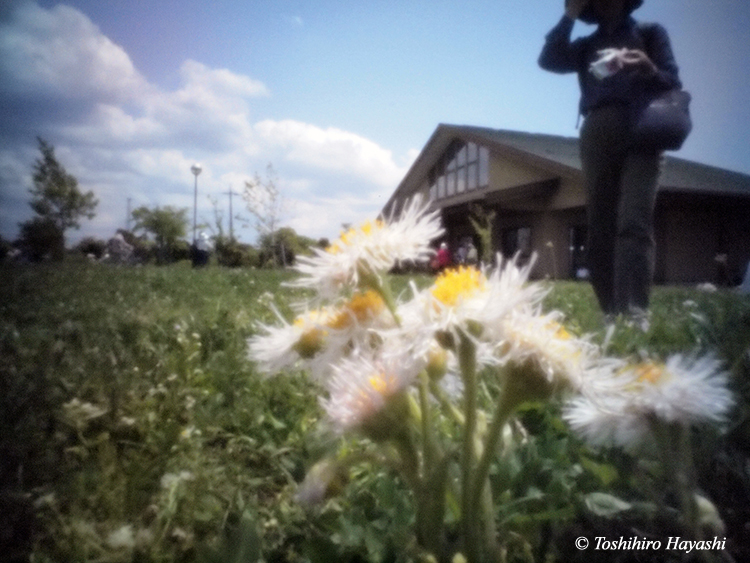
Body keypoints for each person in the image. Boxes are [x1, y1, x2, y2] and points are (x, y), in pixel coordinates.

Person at [539, 0, 683, 328]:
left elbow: (673, 81)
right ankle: (611, 313)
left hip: (644, 128)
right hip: (598, 134)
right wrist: (569, 15)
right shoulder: (586, 46)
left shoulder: (649, 32)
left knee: (634, 220)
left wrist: (648, 66)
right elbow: (548, 60)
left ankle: (634, 314)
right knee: (601, 225)